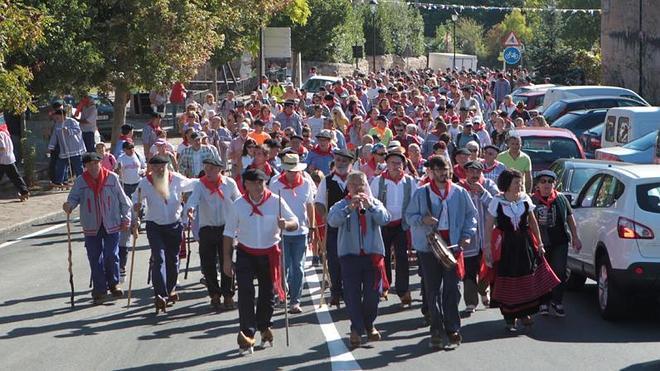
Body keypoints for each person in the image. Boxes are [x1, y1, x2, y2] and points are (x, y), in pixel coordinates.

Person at [222, 168, 298, 352]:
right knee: (246, 293)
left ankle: (264, 326)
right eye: (253, 183)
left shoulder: (276, 201)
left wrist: (285, 224)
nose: (257, 187)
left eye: (260, 183)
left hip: (269, 253)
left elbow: (295, 222)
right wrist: (226, 259)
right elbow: (228, 233)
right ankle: (247, 333)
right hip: (245, 253)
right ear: (245, 185)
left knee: (267, 293)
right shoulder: (239, 204)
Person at [405, 156, 477, 350]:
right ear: (431, 172)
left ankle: (452, 326)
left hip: (452, 246)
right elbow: (409, 216)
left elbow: (471, 216)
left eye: (445, 169)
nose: (443, 173)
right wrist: (423, 219)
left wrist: (467, 235)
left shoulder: (460, 192)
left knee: (452, 288)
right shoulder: (422, 193)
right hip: (429, 247)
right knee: (432, 289)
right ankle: (436, 329)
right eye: (438, 170)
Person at [483, 169, 560, 332]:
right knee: (509, 277)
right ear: (507, 184)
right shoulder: (497, 201)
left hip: (524, 243)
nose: (520, 185)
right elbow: (489, 225)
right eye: (517, 182)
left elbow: (533, 223)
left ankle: (525, 313)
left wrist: (539, 243)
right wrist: (487, 248)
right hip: (506, 246)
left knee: (527, 276)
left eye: (521, 182)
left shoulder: (525, 199)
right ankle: (510, 317)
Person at [328, 171, 391, 348]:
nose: (357, 187)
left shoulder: (374, 202)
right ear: (348, 187)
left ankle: (369, 324)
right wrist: (349, 209)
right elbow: (332, 221)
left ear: (366, 185)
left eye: (361, 184)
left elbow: (385, 219)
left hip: (372, 256)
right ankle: (356, 328)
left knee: (373, 295)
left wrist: (370, 206)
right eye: (354, 184)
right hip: (349, 256)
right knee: (352, 295)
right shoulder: (340, 205)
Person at [63, 152, 132, 304]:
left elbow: (124, 200)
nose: (93, 166)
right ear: (85, 166)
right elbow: (73, 198)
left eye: (96, 163)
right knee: (94, 257)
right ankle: (100, 288)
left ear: (101, 163)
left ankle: (114, 284)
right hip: (91, 224)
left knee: (111, 254)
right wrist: (69, 205)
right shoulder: (81, 181)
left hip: (111, 222)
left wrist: (126, 217)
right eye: (89, 164)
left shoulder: (112, 177)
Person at [133, 155, 197, 312]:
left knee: (173, 259)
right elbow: (136, 197)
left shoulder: (176, 179)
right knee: (158, 258)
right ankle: (160, 294)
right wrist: (136, 205)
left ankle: (170, 289)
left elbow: (193, 184)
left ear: (166, 166)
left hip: (174, 225)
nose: (159, 169)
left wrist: (209, 179)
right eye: (155, 167)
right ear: (151, 168)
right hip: (154, 226)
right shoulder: (145, 182)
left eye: (162, 166)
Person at [184, 158, 241, 310]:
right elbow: (193, 200)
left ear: (219, 170)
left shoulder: (229, 183)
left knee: (227, 262)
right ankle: (214, 293)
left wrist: (243, 220)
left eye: (210, 168)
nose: (207, 171)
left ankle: (228, 294)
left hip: (226, 228)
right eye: (206, 168)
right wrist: (190, 209)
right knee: (207, 263)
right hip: (207, 228)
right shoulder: (200, 185)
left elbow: (239, 200)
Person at [370, 148, 417, 307]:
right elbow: (372, 201)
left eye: (399, 163)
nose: (396, 166)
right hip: (383, 224)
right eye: (392, 163)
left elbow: (415, 202)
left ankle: (403, 290)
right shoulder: (378, 181)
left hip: (401, 224)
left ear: (404, 165)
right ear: (386, 164)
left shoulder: (410, 181)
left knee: (402, 257)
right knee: (382, 255)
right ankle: (385, 285)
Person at [530, 170, 582, 317]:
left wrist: (575, 237)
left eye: (550, 181)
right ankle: (544, 303)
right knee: (542, 272)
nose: (547, 184)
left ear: (554, 184)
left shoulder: (560, 199)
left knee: (559, 271)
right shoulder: (532, 200)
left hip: (560, 241)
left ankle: (557, 300)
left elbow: (570, 218)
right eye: (543, 181)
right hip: (540, 243)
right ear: (538, 185)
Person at [270, 154, 316, 314]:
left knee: (298, 267)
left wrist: (312, 227)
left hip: (301, 231)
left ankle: (295, 301)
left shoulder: (306, 184)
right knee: (283, 267)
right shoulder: (275, 184)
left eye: (294, 170)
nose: (291, 173)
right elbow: (270, 206)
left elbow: (310, 206)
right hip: (281, 233)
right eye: (288, 170)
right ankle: (282, 293)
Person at [314, 149, 356, 308]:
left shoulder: (357, 179)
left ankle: (350, 290)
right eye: (338, 160)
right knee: (334, 259)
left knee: (351, 258)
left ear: (350, 163)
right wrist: (325, 216)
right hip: (334, 225)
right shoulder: (327, 180)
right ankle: (336, 291)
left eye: (344, 161)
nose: (341, 163)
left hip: (354, 227)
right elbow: (318, 203)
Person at [457, 161, 499, 313]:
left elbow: (498, 205)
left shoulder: (489, 185)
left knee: (488, 268)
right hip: (470, 238)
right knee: (469, 270)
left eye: (477, 172)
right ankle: (471, 302)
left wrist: (483, 193)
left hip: (488, 237)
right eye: (471, 171)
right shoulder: (459, 188)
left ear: (482, 173)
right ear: (466, 172)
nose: (474, 175)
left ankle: (484, 290)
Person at [116, 141, 146, 278]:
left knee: (138, 204)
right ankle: (132, 221)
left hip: (137, 182)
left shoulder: (138, 155)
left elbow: (144, 167)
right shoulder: (121, 158)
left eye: (132, 147)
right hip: (126, 184)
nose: (131, 150)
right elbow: (117, 170)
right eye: (128, 148)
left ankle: (137, 221)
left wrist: (143, 171)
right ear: (124, 149)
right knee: (127, 205)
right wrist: (119, 171)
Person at [48, 108, 86, 187]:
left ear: (63, 116)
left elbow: (78, 130)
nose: (56, 119)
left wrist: (68, 130)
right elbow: (54, 137)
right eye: (56, 118)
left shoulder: (72, 121)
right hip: (64, 149)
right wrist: (51, 147)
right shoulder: (57, 125)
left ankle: (83, 180)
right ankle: (59, 181)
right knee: (60, 165)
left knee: (78, 166)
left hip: (74, 148)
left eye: (58, 117)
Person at [0, 118, 29, 201]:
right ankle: (24, 192)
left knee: (15, 176)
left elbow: (2, 147)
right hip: (9, 158)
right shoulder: (5, 132)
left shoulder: (0, 133)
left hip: (3, 159)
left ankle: (24, 192)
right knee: (16, 176)